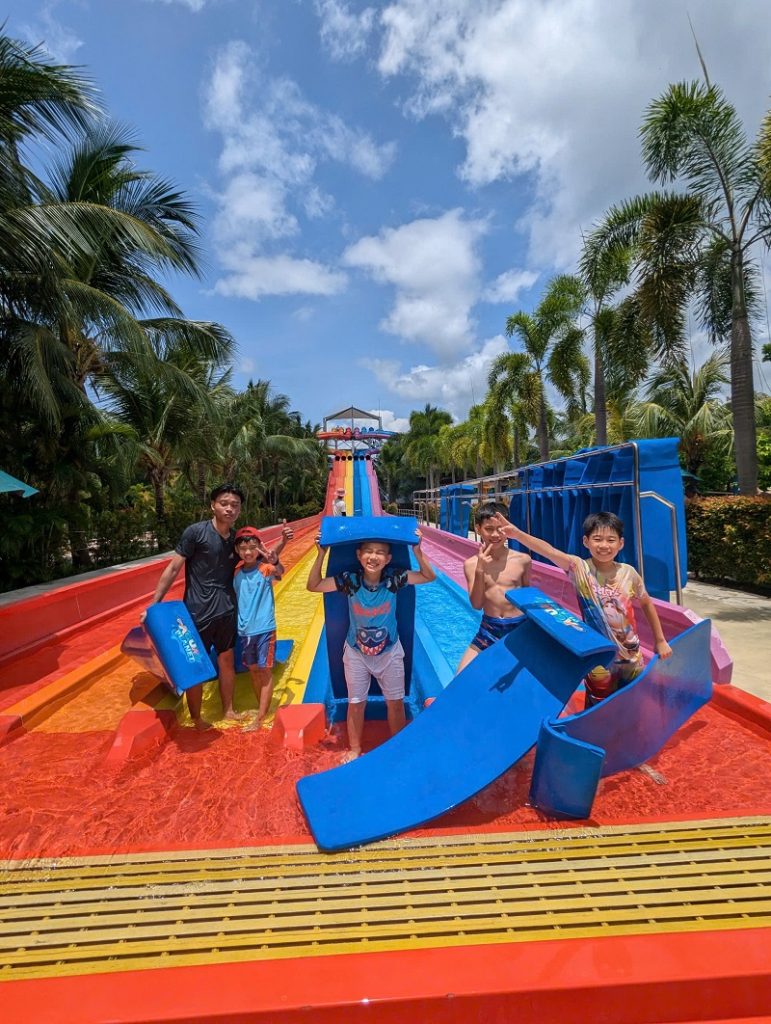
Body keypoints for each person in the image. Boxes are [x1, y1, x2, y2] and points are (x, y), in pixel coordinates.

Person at [489, 508, 673, 707]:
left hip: (631, 657)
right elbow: (549, 551)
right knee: (596, 708)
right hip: (599, 658)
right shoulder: (579, 568)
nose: (604, 545)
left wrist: (660, 640)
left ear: (621, 543)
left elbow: (646, 602)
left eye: (611, 540)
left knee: (634, 704)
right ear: (586, 541)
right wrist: (518, 535)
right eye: (597, 539)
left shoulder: (629, 573)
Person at [143, 484, 292, 729]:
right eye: (224, 503)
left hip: (227, 612)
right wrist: (154, 605)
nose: (229, 508)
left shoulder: (236, 541)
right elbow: (173, 568)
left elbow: (261, 559)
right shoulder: (195, 533)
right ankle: (196, 718)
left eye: (235, 505)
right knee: (195, 663)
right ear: (213, 505)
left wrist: (281, 545)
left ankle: (228, 710)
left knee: (226, 660)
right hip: (197, 611)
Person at [307, 531, 435, 761]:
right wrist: (321, 555)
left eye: (379, 553)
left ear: (388, 558)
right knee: (356, 704)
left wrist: (417, 552)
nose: (373, 557)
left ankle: (397, 747)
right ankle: (355, 748)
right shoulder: (351, 580)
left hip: (390, 653)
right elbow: (314, 585)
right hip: (356, 653)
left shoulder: (393, 579)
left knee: (395, 704)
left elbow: (428, 577)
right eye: (368, 551)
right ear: (359, 555)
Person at [456, 502, 531, 674]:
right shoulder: (471, 564)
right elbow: (477, 604)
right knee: (461, 677)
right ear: (478, 529)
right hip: (489, 630)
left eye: (500, 528)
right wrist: (480, 570)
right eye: (489, 529)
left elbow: (526, 597)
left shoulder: (523, 560)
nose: (496, 534)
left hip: (519, 628)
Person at [233, 525, 287, 731]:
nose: (248, 552)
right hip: (245, 631)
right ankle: (261, 708)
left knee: (264, 670)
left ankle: (260, 718)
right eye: (243, 548)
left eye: (252, 547)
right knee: (253, 670)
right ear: (237, 550)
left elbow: (280, 572)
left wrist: (275, 560)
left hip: (264, 628)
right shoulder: (236, 574)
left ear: (258, 548)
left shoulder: (265, 569)